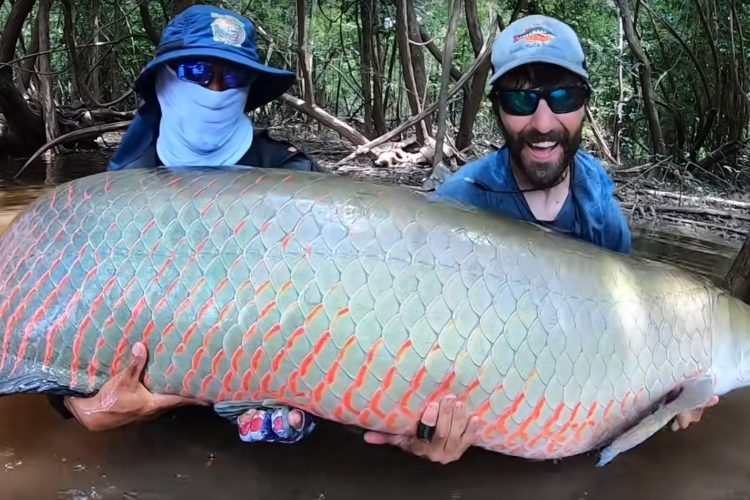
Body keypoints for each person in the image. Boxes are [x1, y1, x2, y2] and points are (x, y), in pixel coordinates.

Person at [52, 4, 477, 465]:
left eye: (232, 77)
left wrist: (412, 412)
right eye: (197, 70)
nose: (215, 90)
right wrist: (78, 407)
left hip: (265, 405)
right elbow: (60, 317)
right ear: (162, 80)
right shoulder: (112, 197)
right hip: (156, 420)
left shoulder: (296, 180)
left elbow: (353, 307)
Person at [433, 15, 718, 434]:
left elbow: (620, 334)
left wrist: (670, 389)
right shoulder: (459, 205)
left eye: (563, 97)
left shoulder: (600, 213)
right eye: (520, 101)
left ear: (584, 104)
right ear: (496, 108)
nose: (544, 124)